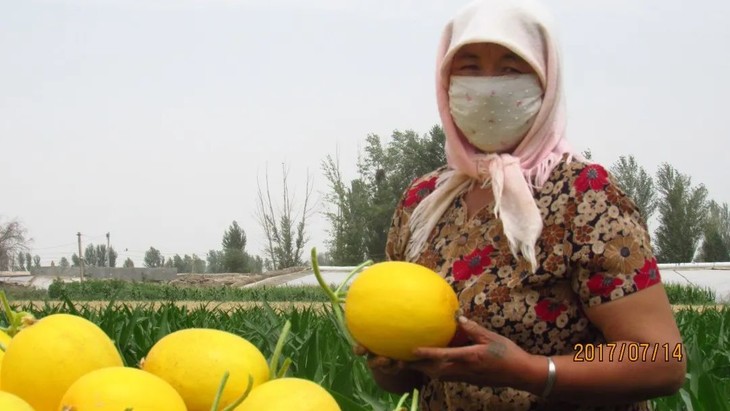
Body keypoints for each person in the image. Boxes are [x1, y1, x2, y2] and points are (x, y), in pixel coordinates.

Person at [360, 0, 686, 410]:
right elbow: (407, 378)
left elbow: (661, 359)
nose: (488, 87)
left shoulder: (585, 195)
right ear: (446, 82)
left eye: (511, 69)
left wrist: (532, 371)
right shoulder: (424, 201)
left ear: (546, 81)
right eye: (470, 67)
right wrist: (388, 360)